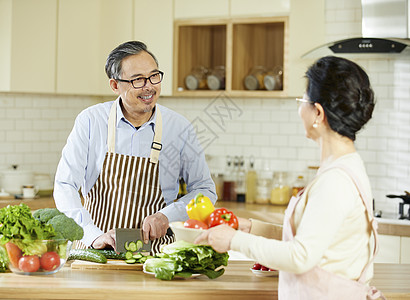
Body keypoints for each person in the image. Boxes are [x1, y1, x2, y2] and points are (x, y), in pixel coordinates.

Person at [196, 56, 385, 299]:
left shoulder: (335, 181)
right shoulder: (343, 167)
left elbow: (301, 256)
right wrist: (251, 228)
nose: (299, 110)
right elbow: (312, 238)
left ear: (318, 113)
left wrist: (234, 240)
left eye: (303, 101)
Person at [54, 41, 216, 252]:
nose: (149, 86)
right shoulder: (91, 121)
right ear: (115, 85)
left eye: (154, 76)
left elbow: (205, 190)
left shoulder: (179, 127)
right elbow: (64, 185)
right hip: (95, 250)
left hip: (156, 255)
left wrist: (167, 216)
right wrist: (93, 235)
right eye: (138, 80)